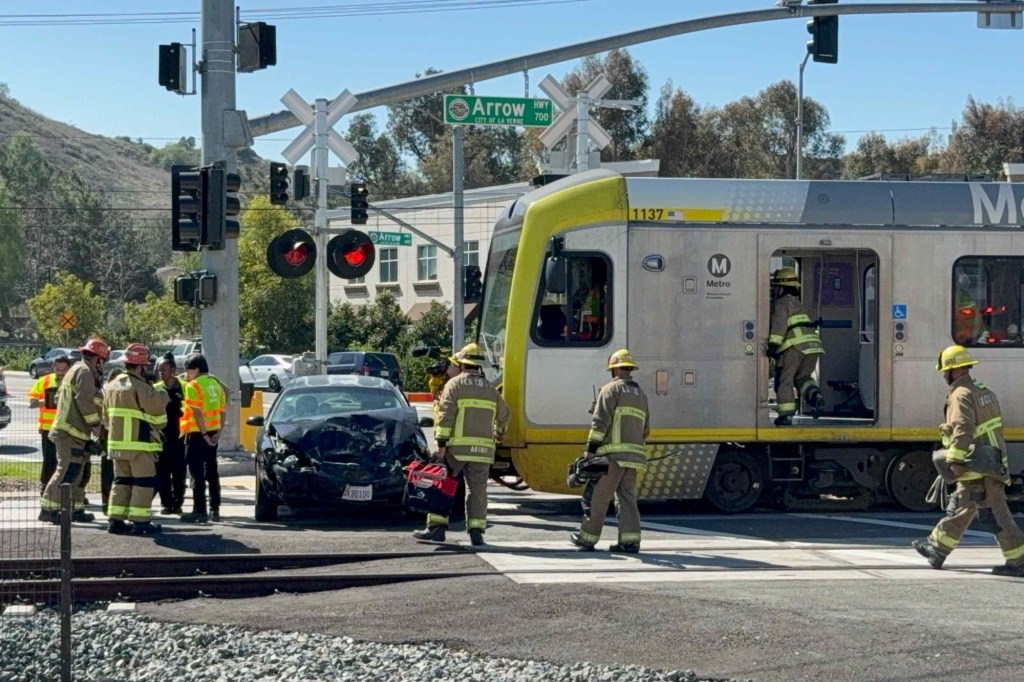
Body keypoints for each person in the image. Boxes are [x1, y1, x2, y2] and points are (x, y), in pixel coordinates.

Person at [913, 345, 1024, 577]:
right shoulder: (983, 391)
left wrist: (955, 459)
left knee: (995, 515)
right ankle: (937, 548)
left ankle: (1020, 562)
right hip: (990, 461)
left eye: (945, 371)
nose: (944, 375)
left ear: (953, 371)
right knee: (963, 506)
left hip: (977, 465)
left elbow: (962, 429)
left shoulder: (960, 394)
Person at [413, 342, 510, 546]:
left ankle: (436, 529)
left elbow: (445, 416)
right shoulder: (491, 389)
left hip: (456, 450)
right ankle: (476, 531)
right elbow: (505, 416)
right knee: (478, 491)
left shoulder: (454, 384)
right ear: (479, 365)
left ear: (463, 364)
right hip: (483, 451)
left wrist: (441, 445)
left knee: (443, 486)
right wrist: (498, 434)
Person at [570, 349, 650, 553]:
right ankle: (630, 541)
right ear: (630, 369)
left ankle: (587, 538)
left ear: (613, 370)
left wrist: (590, 450)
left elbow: (600, 423)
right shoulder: (641, 394)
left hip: (612, 458)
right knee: (627, 499)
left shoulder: (609, 390)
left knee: (598, 497)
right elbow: (646, 429)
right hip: (633, 458)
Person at [39, 337, 109, 524]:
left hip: (76, 433)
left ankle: (76, 509)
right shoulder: (84, 371)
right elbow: (84, 400)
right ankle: (48, 509)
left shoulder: (77, 369)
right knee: (66, 469)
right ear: (98, 359)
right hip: (70, 432)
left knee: (77, 472)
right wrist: (96, 426)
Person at [103, 344, 169, 535]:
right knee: (144, 482)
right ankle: (140, 522)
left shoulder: (112, 385)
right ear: (142, 366)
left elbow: (106, 418)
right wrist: (162, 393)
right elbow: (159, 417)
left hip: (116, 445)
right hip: (140, 445)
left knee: (121, 481)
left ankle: (115, 520)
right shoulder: (141, 387)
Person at [768, 267, 826, 426]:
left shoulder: (781, 303)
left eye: (775, 287)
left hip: (794, 347)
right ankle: (816, 397)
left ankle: (785, 416)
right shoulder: (798, 303)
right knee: (803, 378)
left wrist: (773, 346)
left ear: (781, 287)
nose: (773, 291)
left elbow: (779, 326)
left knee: (784, 381)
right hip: (813, 346)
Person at [179, 354, 227, 524]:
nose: (187, 373)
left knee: (196, 473)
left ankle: (200, 510)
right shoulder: (216, 384)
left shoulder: (193, 386)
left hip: (198, 434)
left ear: (196, 369)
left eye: (188, 370)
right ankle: (215, 508)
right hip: (214, 434)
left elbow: (197, 413)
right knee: (212, 471)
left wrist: (205, 434)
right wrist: (218, 433)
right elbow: (222, 411)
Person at [28, 354, 71, 494]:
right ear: (53, 367)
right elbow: (32, 403)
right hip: (48, 428)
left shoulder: (72, 382)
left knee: (67, 461)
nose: (60, 372)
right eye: (58, 369)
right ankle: (45, 488)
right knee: (49, 460)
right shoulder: (44, 381)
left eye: (64, 370)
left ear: (68, 369)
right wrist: (48, 401)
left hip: (67, 428)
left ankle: (66, 491)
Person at [153, 353, 186, 516]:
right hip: (162, 436)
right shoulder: (156, 388)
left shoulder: (184, 387)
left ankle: (178, 503)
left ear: (173, 370)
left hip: (181, 437)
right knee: (162, 472)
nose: (161, 372)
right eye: (160, 370)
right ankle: (166, 503)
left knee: (179, 473)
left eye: (164, 369)